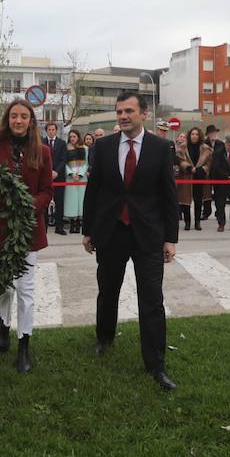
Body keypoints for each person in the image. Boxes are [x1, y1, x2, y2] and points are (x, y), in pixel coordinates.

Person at [82, 90, 180, 392]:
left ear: (143, 114)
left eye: (128, 111)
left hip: (148, 235)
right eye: (119, 111)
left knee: (151, 299)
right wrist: (88, 230)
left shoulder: (161, 148)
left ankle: (156, 363)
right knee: (107, 290)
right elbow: (94, 190)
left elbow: (168, 195)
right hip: (111, 232)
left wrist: (170, 239)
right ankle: (104, 337)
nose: (123, 116)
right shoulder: (103, 146)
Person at [0, 99, 53, 374]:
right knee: (4, 285)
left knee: (26, 288)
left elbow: (47, 190)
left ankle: (24, 344)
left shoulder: (43, 151)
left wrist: (28, 205)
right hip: (1, 227)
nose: (19, 121)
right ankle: (3, 321)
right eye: (14, 116)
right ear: (7, 119)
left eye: (24, 116)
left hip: (29, 229)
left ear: (31, 121)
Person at [207, 125, 230, 232]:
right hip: (221, 182)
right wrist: (227, 177)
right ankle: (221, 224)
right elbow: (216, 167)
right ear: (225, 143)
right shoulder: (218, 153)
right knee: (220, 204)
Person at [42, 121, 66, 234]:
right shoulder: (41, 142)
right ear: (46, 130)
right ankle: (44, 227)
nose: (51, 131)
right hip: (44, 177)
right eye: (49, 129)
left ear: (56, 130)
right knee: (44, 202)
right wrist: (47, 172)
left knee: (59, 202)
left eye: (53, 129)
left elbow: (63, 159)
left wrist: (56, 171)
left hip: (59, 177)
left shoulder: (62, 143)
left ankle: (59, 227)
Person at [62, 129, 87, 233]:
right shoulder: (66, 148)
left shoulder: (85, 148)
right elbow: (64, 162)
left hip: (82, 177)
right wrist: (71, 173)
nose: (72, 138)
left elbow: (87, 162)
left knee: (81, 200)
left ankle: (79, 224)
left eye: (74, 136)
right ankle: (72, 224)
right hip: (70, 177)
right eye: (70, 136)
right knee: (71, 201)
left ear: (78, 137)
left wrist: (80, 173)